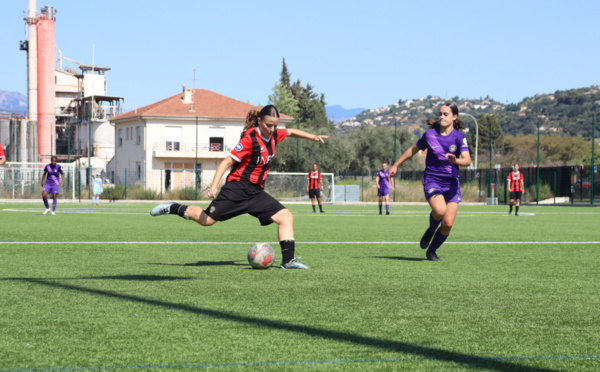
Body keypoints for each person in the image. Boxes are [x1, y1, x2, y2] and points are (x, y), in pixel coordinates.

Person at [150, 105, 328, 269]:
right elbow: (226, 162)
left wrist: (313, 137)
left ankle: (288, 261)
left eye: (275, 125)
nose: (272, 129)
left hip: (256, 193)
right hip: (236, 189)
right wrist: (214, 185)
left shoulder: (274, 135)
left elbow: (290, 132)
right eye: (269, 125)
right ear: (259, 121)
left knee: (286, 217)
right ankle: (174, 207)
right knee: (207, 221)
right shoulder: (250, 138)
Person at [389, 102, 471, 262]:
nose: (441, 117)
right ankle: (431, 230)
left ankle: (431, 251)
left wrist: (455, 160)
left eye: (445, 114)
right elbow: (412, 150)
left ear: (454, 117)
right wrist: (395, 165)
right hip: (432, 180)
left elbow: (467, 160)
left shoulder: (460, 138)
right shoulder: (430, 135)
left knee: (447, 224)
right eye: (440, 114)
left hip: (452, 184)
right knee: (440, 211)